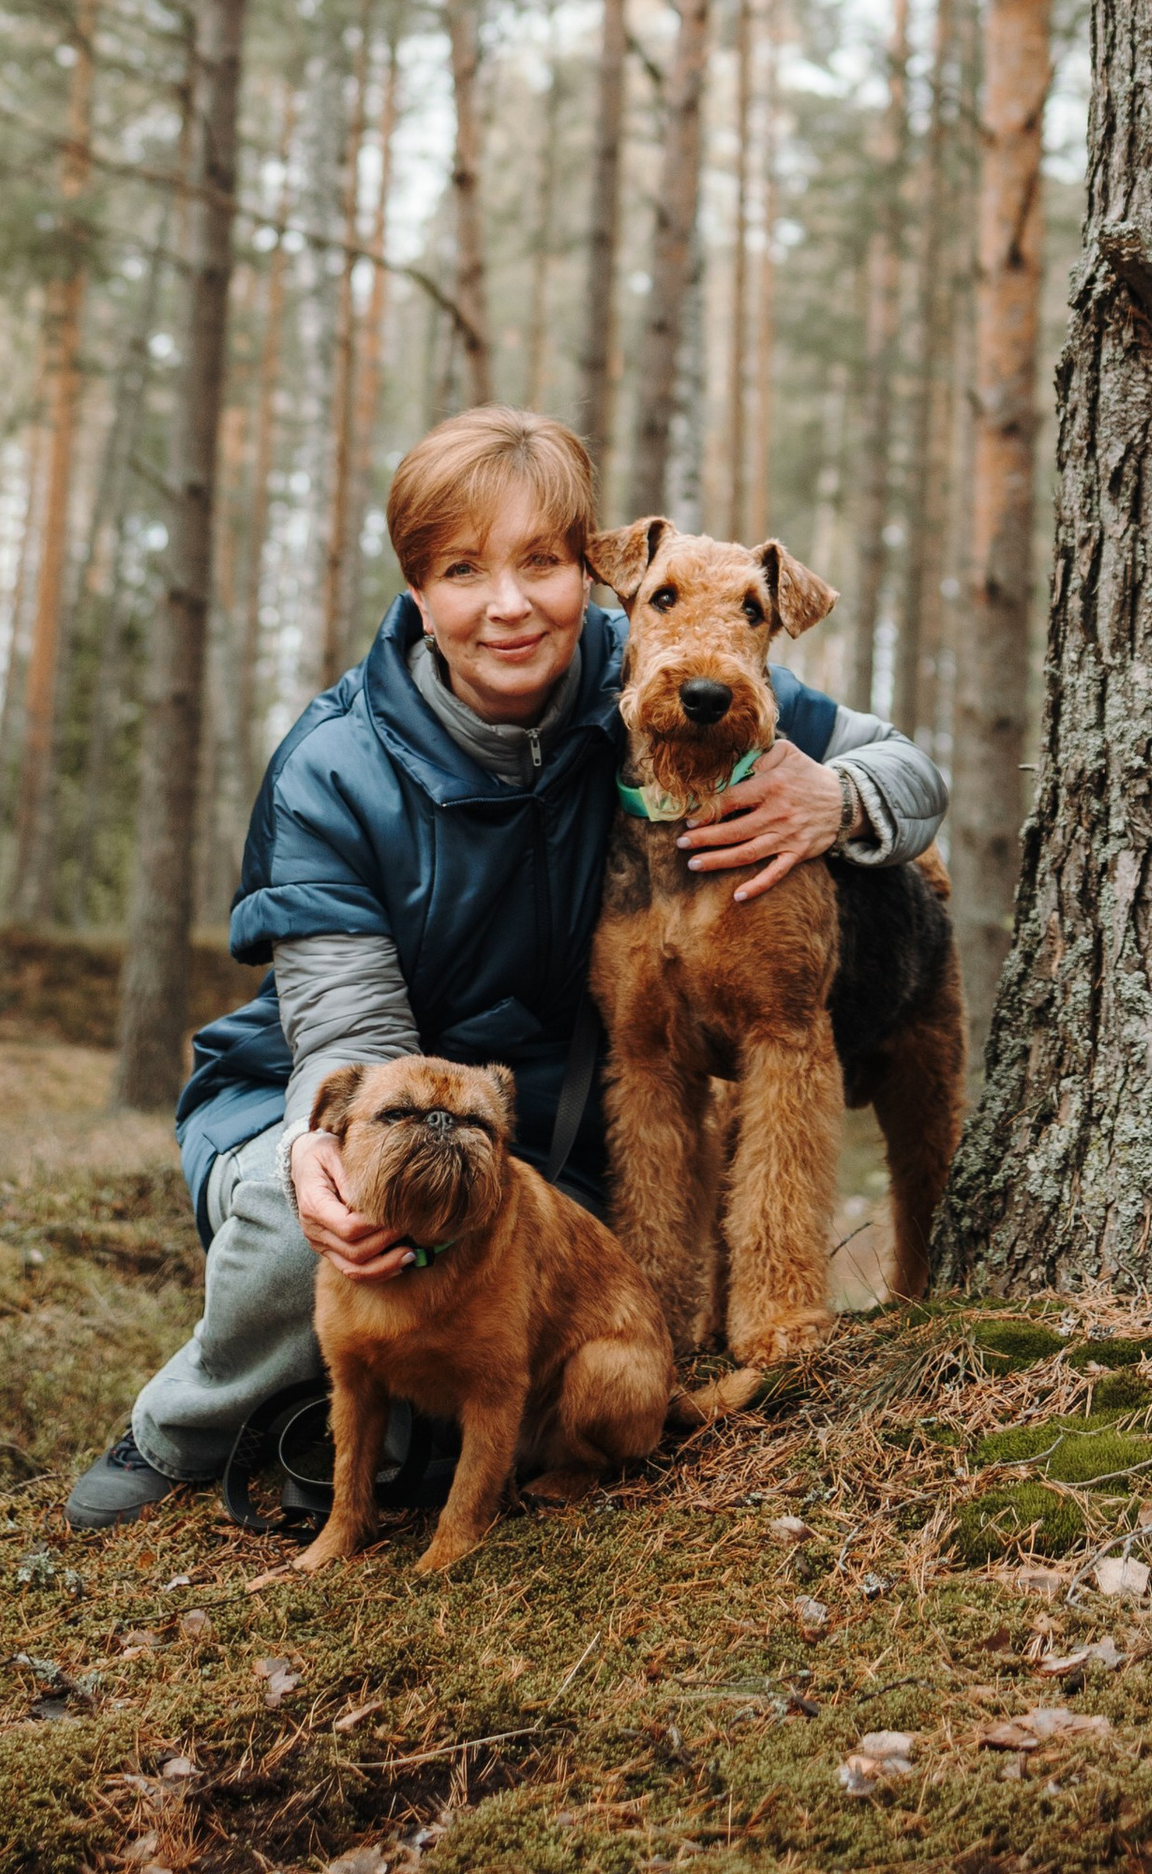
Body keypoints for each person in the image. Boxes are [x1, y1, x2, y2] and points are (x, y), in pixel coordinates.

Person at [64, 405, 950, 1526]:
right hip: (343, 1094)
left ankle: (411, 1440)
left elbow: (909, 765)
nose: (509, 604)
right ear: (417, 589)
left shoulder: (642, 679)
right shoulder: (331, 765)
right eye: (462, 570)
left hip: (547, 1132)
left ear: (590, 571)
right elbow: (345, 1028)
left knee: (572, 1321)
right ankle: (183, 1428)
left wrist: (843, 796)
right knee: (346, 1220)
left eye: (541, 562)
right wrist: (328, 1146)